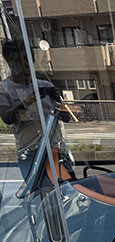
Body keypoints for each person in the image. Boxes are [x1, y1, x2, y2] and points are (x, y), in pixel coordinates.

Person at [0, 39, 73, 186]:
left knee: (66, 190)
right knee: (40, 192)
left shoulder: (45, 85)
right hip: (30, 152)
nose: (23, 64)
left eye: (27, 59)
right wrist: (30, 99)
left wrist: (56, 98)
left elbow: (66, 117)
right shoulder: (4, 88)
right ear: (9, 62)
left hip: (56, 150)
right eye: (17, 60)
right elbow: (7, 117)